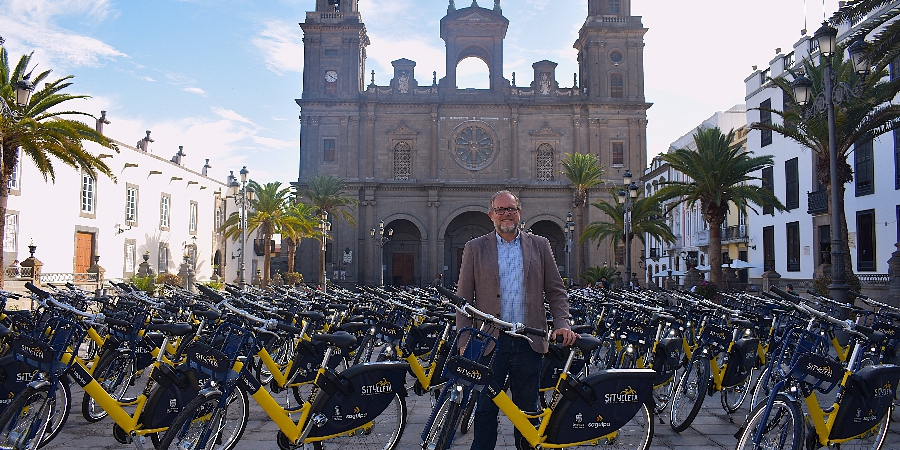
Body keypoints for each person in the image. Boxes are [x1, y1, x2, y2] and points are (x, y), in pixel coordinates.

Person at [456, 190, 578, 450]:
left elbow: (556, 291)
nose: (506, 214)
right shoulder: (475, 248)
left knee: (528, 411)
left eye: (511, 209)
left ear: (519, 213)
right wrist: (464, 340)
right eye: (500, 210)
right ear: (491, 215)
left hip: (528, 342)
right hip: (490, 343)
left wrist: (562, 323)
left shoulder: (540, 245)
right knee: (485, 409)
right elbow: (463, 300)